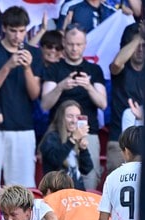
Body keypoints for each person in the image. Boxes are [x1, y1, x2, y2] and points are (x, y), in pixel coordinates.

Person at [0, 6, 44, 187]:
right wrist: (7, 66)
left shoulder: (35, 54)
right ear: (4, 28)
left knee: (22, 189)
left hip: (23, 128)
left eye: (22, 31)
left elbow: (34, 94)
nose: (17, 36)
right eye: (13, 31)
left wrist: (27, 68)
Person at [41, 25, 107, 190]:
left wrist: (89, 86)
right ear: (64, 42)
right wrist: (61, 86)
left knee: (88, 179)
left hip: (87, 133)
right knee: (57, 182)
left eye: (78, 44)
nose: (74, 48)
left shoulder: (94, 69)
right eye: (70, 44)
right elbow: (45, 104)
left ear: (85, 44)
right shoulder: (54, 69)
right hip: (60, 133)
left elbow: (103, 104)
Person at [106, 22, 145, 174]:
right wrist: (140, 37)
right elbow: (116, 63)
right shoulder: (121, 69)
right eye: (137, 46)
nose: (141, 49)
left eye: (144, 45)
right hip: (118, 142)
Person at [38, 100, 93, 191]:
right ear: (61, 118)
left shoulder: (76, 138)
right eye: (70, 116)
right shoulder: (51, 137)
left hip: (76, 193)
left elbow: (87, 169)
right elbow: (55, 160)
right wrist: (72, 140)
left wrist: (83, 149)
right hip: (57, 192)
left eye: (77, 117)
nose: (74, 121)